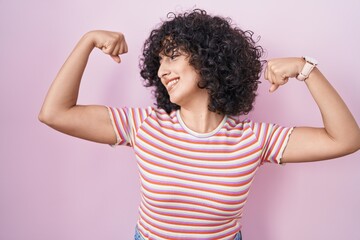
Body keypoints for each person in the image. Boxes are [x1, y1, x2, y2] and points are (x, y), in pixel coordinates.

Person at [39, 9, 360, 240]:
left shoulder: (255, 139)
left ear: (211, 60)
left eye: (173, 56)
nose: (163, 70)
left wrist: (307, 70)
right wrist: (87, 41)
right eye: (160, 60)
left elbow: (345, 139)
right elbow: (55, 112)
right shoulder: (142, 125)